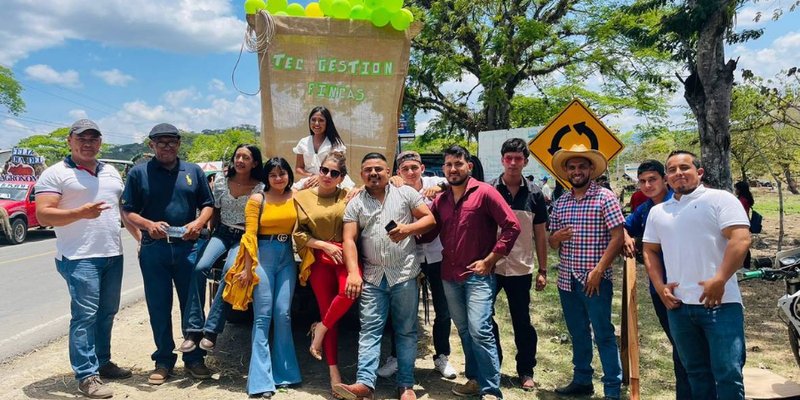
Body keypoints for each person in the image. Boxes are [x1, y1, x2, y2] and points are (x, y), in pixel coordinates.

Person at [34, 119, 131, 399]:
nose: (88, 144)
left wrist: (138, 238)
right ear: (70, 140)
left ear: (100, 142)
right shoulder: (55, 174)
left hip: (113, 254)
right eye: (82, 138)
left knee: (107, 312)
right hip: (79, 257)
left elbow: (122, 210)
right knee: (85, 316)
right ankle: (87, 375)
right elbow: (43, 215)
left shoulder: (111, 171)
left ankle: (102, 361)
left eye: (93, 139)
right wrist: (80, 213)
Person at [643, 151, 751, 399]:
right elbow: (649, 250)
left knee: (728, 374)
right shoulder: (659, 212)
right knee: (696, 374)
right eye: (672, 170)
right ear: (667, 178)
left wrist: (720, 279)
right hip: (679, 307)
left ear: (699, 172)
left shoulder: (720, 199)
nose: (678, 173)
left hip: (720, 304)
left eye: (684, 167)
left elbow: (741, 238)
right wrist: (660, 287)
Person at [334, 152, 436, 400]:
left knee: (406, 331)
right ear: (361, 175)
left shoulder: (406, 193)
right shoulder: (356, 202)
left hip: (404, 273)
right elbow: (348, 239)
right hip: (372, 276)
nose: (374, 173)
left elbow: (430, 219)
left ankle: (406, 385)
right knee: (369, 330)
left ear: (388, 172)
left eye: (379, 169)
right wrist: (352, 273)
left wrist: (407, 229)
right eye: (368, 170)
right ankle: (365, 385)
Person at [422, 145, 520, 400]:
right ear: (443, 169)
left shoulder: (485, 192)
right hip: (449, 275)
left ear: (469, 165)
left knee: (480, 329)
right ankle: (475, 380)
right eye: (448, 165)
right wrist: (405, 228)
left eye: (458, 164)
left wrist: (490, 260)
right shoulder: (441, 200)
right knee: (464, 330)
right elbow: (429, 231)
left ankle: (491, 390)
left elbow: (512, 227)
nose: (453, 169)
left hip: (478, 275)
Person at [121, 123, 214, 385]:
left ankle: (195, 359)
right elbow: (127, 211)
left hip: (188, 247)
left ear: (179, 143)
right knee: (159, 306)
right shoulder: (139, 173)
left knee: (192, 305)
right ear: (151, 145)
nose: (166, 146)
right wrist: (148, 225)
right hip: (154, 249)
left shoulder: (193, 171)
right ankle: (163, 360)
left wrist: (197, 223)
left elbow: (207, 205)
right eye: (160, 142)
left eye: (171, 141)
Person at [547, 143, 624, 400]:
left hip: (595, 280)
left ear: (591, 169)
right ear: (566, 172)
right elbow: (552, 241)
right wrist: (555, 237)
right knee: (578, 332)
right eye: (572, 167)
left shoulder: (605, 197)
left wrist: (600, 269)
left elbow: (617, 237)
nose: (577, 171)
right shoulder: (561, 203)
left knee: (603, 333)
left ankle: (612, 388)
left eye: (582, 166)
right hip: (567, 280)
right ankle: (582, 380)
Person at [376, 151, 457, 380]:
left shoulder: (434, 183)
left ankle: (441, 355)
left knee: (443, 309)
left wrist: (442, 187)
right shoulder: (394, 188)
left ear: (422, 168)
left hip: (437, 255)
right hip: (407, 256)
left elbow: (454, 183)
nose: (410, 172)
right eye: (405, 169)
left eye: (414, 167)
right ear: (398, 171)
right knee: (401, 310)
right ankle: (396, 357)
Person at [226, 157, 301, 397]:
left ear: (289, 174)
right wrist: (248, 269)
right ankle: (260, 381)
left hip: (287, 258)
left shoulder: (296, 196)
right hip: (262, 257)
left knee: (284, 314)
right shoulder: (257, 199)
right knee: (262, 316)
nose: (279, 178)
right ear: (267, 178)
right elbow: (249, 236)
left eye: (282, 173)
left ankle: (286, 374)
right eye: (273, 175)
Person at [180, 144, 265, 353]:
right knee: (199, 268)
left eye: (246, 157)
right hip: (223, 233)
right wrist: (209, 232)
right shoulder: (221, 182)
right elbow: (215, 211)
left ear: (254, 163)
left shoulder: (261, 187)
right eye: (238, 156)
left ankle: (211, 331)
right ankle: (193, 329)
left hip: (244, 237)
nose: (240, 160)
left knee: (229, 273)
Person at [621, 160, 690, 399]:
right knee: (679, 345)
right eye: (642, 181)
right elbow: (624, 225)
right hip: (660, 286)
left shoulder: (682, 202)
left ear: (664, 179)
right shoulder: (645, 209)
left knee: (692, 349)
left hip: (689, 285)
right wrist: (625, 235)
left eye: (652, 180)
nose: (648, 185)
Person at [294, 151, 359, 396]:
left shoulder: (349, 195)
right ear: (318, 170)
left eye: (334, 173)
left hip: (345, 255)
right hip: (320, 256)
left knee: (349, 292)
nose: (328, 176)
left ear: (342, 177)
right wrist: (324, 246)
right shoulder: (301, 197)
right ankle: (334, 374)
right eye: (324, 170)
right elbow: (298, 233)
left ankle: (320, 329)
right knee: (327, 310)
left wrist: (359, 189)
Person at [488, 138, 549, 391]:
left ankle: (526, 370)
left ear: (526, 161)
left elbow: (541, 235)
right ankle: (493, 366)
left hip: (521, 268)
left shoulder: (535, 193)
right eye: (508, 158)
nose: (513, 163)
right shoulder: (489, 190)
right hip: (491, 267)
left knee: (522, 321)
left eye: (518, 158)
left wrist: (543, 270)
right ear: (502, 159)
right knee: (485, 319)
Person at [293, 106, 354, 190]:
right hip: (310, 180)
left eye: (321, 120)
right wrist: (313, 176)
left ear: (327, 123)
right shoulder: (303, 142)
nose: (316, 123)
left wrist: (321, 176)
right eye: (313, 120)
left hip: (331, 180)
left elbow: (338, 168)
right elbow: (298, 168)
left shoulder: (336, 144)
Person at [735, 180, 755, 269]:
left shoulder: (742, 200)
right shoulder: (746, 198)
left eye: (736, 189)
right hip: (745, 223)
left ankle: (746, 265)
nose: (735, 190)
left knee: (743, 245)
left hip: (741, 223)